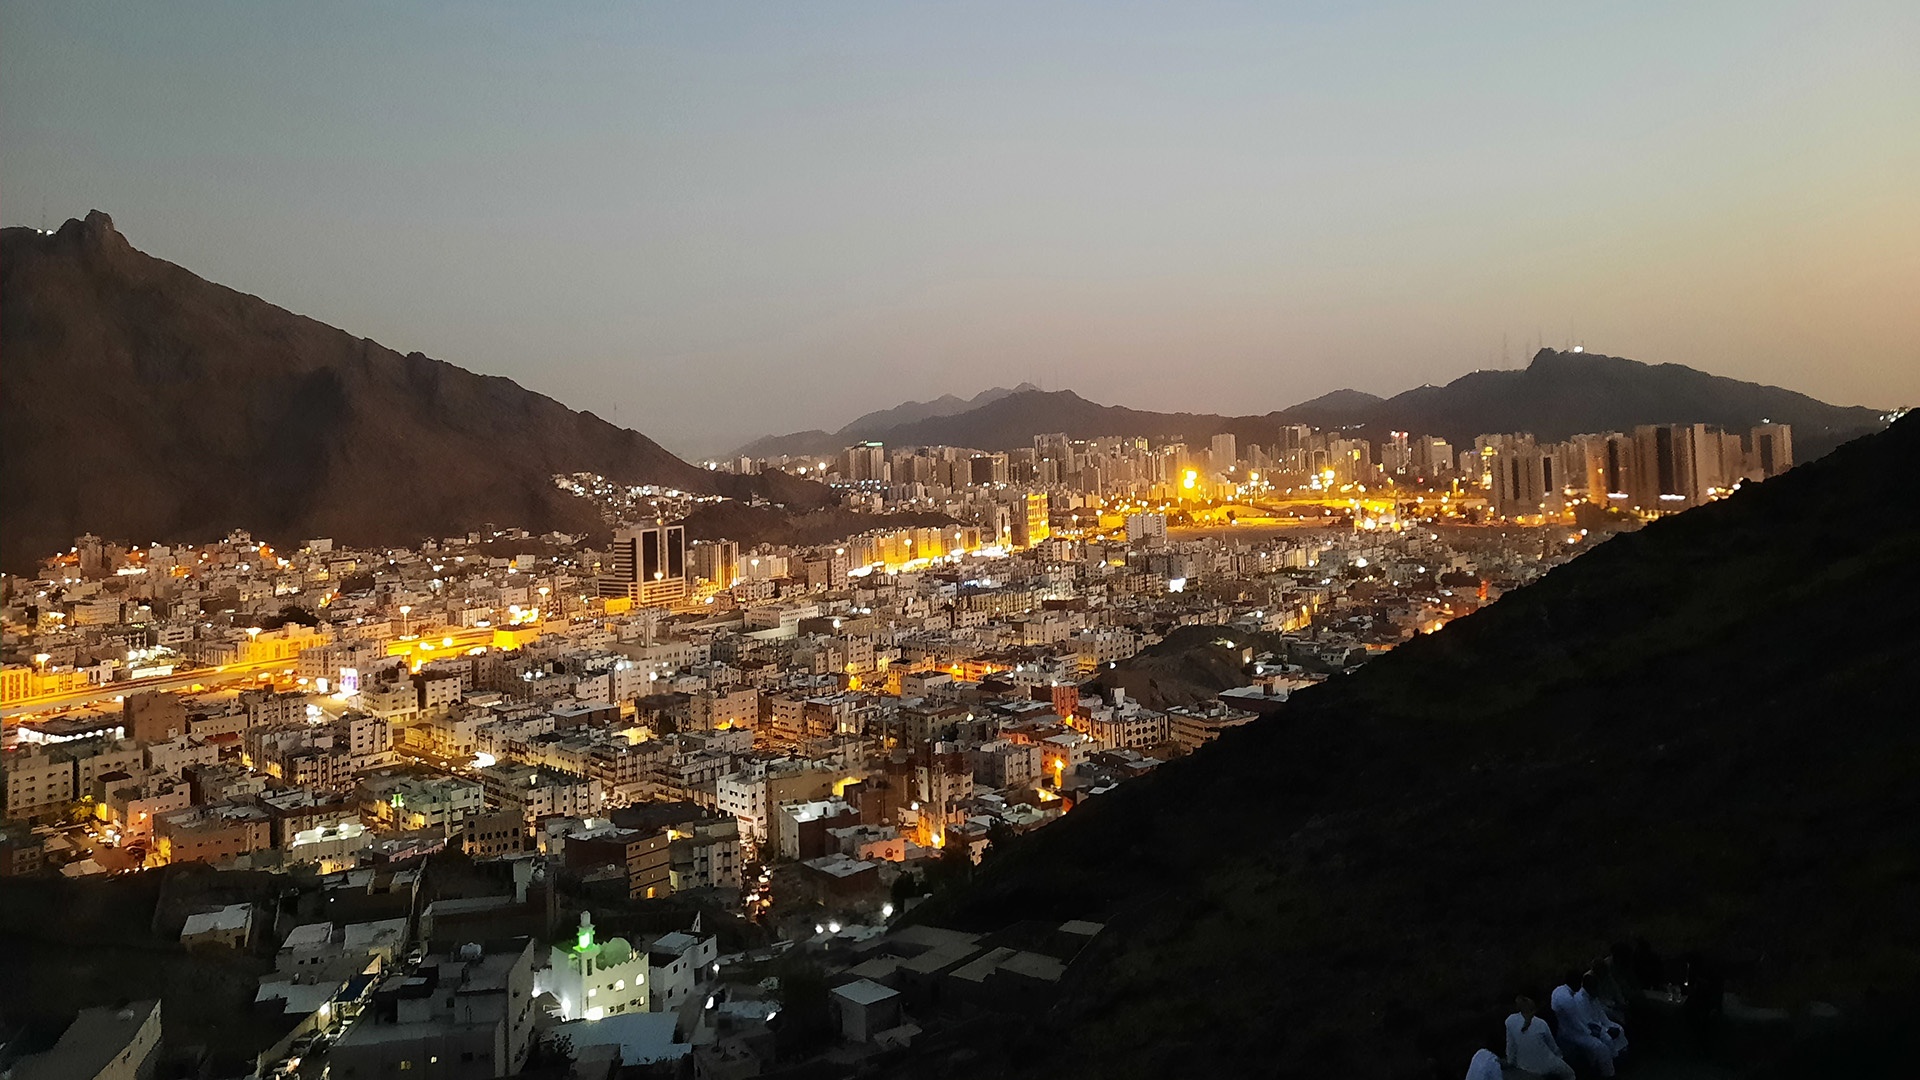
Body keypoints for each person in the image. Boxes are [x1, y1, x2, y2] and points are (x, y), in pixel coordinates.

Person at [1553, 975, 1618, 1077]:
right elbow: (1576, 1022)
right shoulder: (1568, 1000)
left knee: (1604, 1042)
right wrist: (1590, 1031)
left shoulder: (1558, 991)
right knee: (1601, 1048)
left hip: (1573, 1029)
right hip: (1573, 1033)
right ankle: (1609, 1074)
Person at [1505, 996, 1574, 1079]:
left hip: (1524, 1066)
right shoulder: (1541, 1023)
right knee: (1570, 1075)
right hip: (1547, 1066)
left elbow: (1511, 1046)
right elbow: (1553, 1047)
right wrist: (1560, 1057)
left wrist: (1510, 1062)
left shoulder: (1510, 1021)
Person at [1580, 970, 1629, 1056]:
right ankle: (1614, 1057)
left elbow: (1600, 1013)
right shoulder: (1581, 1001)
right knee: (1608, 1039)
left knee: (1619, 1028)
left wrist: (1609, 1025)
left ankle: (1622, 1052)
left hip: (1601, 1024)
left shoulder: (1593, 997)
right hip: (1592, 1030)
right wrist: (1606, 1030)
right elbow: (1589, 1022)